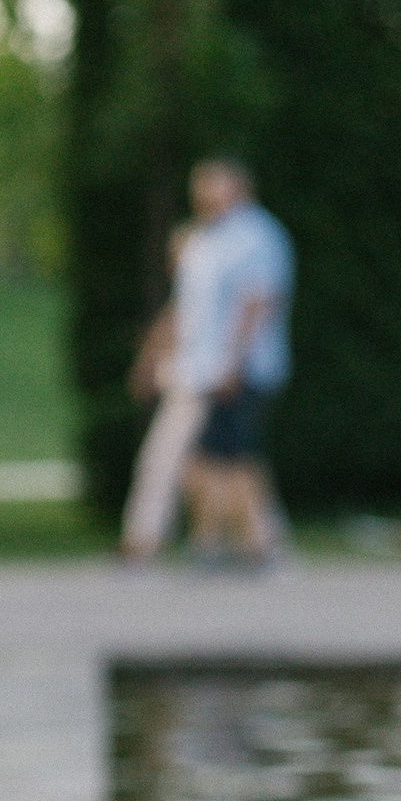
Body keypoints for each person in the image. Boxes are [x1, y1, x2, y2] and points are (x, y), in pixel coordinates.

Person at [172, 156, 295, 563]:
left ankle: (250, 542)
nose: (202, 194)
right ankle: (226, 540)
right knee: (216, 456)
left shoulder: (254, 235)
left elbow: (256, 302)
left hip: (239, 367)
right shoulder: (213, 234)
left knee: (233, 456)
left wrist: (233, 363)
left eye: (212, 185)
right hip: (210, 366)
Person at [120, 220, 203, 561]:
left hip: (193, 386)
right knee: (216, 463)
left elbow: (168, 331)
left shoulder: (200, 291)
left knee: (162, 462)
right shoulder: (193, 291)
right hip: (191, 385)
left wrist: (146, 365)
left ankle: (143, 538)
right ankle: (251, 538)